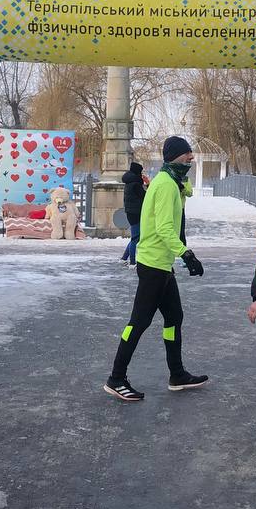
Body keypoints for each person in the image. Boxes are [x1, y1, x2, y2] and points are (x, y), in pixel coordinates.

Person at [104, 136, 208, 401]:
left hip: (162, 264)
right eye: (187, 155)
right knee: (138, 322)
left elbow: (183, 202)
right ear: (174, 156)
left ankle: (177, 374)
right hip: (153, 264)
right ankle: (116, 378)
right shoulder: (164, 185)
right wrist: (186, 253)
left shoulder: (172, 182)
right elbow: (163, 228)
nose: (191, 159)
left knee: (174, 317)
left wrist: (182, 183)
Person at [120, 160, 147, 266]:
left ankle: (124, 258)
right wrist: (148, 184)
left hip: (131, 212)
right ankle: (132, 262)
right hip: (136, 213)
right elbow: (146, 196)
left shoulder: (129, 182)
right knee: (135, 238)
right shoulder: (135, 184)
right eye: (141, 172)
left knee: (135, 237)